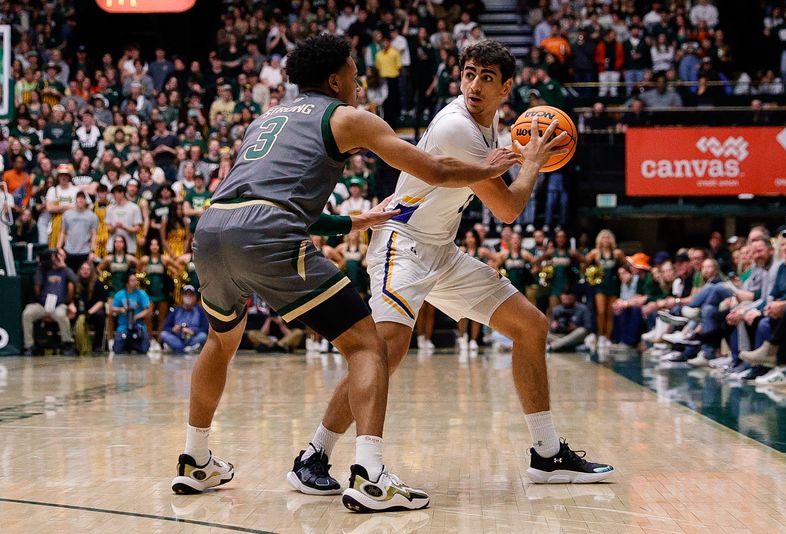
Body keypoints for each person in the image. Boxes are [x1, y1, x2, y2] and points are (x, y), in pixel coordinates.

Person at [170, 34, 520, 513]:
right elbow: (435, 170)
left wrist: (352, 222)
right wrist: (489, 167)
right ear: (336, 79)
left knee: (221, 340)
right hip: (267, 234)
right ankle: (371, 474)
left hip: (211, 231)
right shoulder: (347, 117)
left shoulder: (265, 119)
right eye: (355, 73)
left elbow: (261, 193)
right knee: (368, 344)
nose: (359, 82)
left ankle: (195, 458)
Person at [294, 40, 613, 505]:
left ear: (506, 87)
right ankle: (315, 457)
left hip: (440, 251)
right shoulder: (455, 126)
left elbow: (496, 169)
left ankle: (546, 453)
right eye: (468, 74)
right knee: (386, 350)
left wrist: (515, 154)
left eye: (486, 77)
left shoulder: (493, 123)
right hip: (402, 244)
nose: (474, 85)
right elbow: (506, 208)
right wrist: (533, 165)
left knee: (530, 326)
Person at [22, 249, 77, 356]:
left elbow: (76, 280)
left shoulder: (65, 271)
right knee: (27, 313)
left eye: (60, 255)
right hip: (42, 304)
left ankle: (67, 343)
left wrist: (63, 266)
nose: (56, 258)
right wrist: (40, 265)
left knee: (61, 315)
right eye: (55, 256)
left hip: (59, 305)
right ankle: (29, 345)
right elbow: (37, 283)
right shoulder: (44, 269)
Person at [584, 230, 625, 348]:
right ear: (599, 240)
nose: (606, 240)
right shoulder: (595, 253)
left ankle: (608, 337)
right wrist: (590, 276)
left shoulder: (617, 253)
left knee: (610, 312)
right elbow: (584, 264)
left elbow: (626, 265)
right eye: (603, 238)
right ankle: (601, 335)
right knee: (601, 311)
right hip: (600, 286)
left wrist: (622, 273)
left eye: (608, 238)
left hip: (613, 284)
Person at [160, 285, 209, 354]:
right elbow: (165, 328)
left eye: (190, 295)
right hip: (177, 338)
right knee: (163, 334)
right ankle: (186, 348)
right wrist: (173, 329)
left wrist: (193, 331)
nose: (188, 297)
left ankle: (180, 348)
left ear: (195, 297)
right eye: (186, 294)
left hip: (192, 338)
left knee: (203, 336)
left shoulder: (200, 311)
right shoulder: (176, 311)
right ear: (182, 297)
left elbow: (205, 329)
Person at [72, 261, 108, 355]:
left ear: (91, 271)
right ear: (80, 271)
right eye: (83, 269)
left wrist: (89, 313)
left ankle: (97, 346)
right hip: (77, 311)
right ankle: (73, 345)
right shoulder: (75, 283)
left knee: (100, 315)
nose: (85, 271)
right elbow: (71, 299)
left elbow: (101, 301)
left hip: (92, 311)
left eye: (88, 269)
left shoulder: (98, 282)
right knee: (69, 314)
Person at [110, 272, 151, 354]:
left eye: (136, 280)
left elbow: (147, 310)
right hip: (123, 326)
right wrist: (121, 310)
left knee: (144, 349)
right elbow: (112, 309)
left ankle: (135, 345)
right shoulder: (120, 294)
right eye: (132, 280)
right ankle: (127, 345)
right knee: (117, 350)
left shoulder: (142, 294)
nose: (135, 282)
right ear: (127, 282)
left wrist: (135, 317)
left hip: (138, 325)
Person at [58, 192, 98, 272]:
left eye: (82, 198)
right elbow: (62, 232)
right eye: (79, 198)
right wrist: (59, 248)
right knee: (70, 278)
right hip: (69, 251)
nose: (80, 200)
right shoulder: (67, 214)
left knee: (83, 277)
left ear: (85, 200)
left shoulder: (92, 216)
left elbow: (94, 235)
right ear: (75, 200)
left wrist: (92, 251)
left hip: (85, 252)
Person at [105, 184, 143, 254]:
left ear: (122, 193)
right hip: (112, 246)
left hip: (129, 246)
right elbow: (108, 229)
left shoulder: (134, 208)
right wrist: (115, 227)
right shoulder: (109, 208)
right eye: (113, 194)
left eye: (117, 193)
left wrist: (124, 227)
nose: (115, 196)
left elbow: (137, 229)